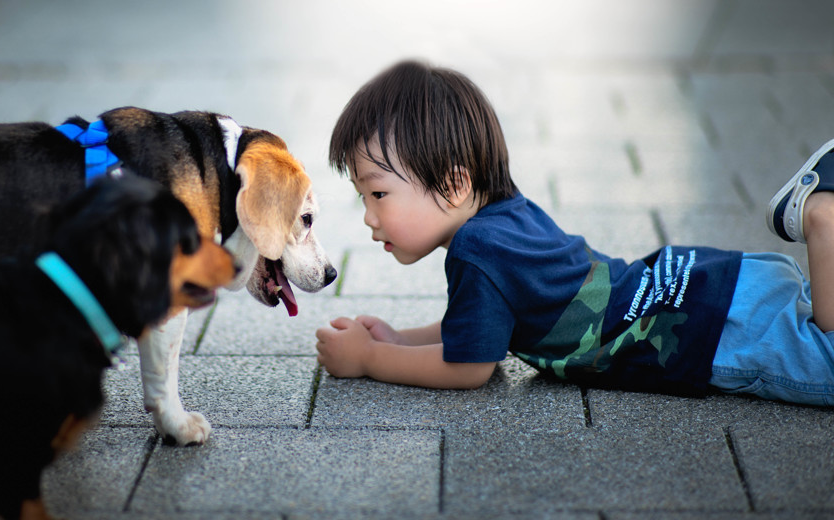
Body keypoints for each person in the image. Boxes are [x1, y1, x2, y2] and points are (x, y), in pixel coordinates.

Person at [314, 59, 834, 406]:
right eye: (364, 197)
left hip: (714, 330)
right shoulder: (506, 215)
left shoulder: (475, 250)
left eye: (378, 194)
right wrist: (403, 339)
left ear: (453, 183)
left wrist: (369, 359)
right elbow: (481, 324)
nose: (368, 216)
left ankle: (822, 218)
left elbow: (470, 365)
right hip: (717, 284)